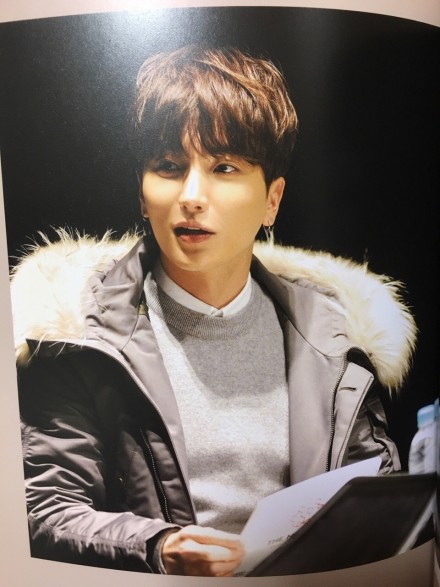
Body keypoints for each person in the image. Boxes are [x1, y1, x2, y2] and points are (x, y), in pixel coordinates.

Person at [11, 45, 416, 577]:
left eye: (224, 167)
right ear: (142, 194)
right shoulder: (78, 331)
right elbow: (45, 509)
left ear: (272, 200)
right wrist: (160, 547)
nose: (192, 195)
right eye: (168, 166)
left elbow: (380, 499)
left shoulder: (334, 339)